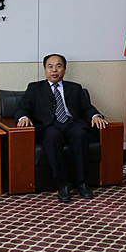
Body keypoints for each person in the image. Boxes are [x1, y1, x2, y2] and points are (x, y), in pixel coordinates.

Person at [16, 54, 108, 202]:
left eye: (58, 66)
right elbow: (22, 107)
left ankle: (82, 183)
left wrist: (95, 115)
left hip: (72, 123)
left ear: (64, 69)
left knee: (80, 134)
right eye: (50, 66)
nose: (54, 70)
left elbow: (86, 107)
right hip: (48, 126)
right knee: (52, 136)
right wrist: (23, 117)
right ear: (45, 70)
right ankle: (63, 184)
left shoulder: (75, 88)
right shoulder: (34, 88)